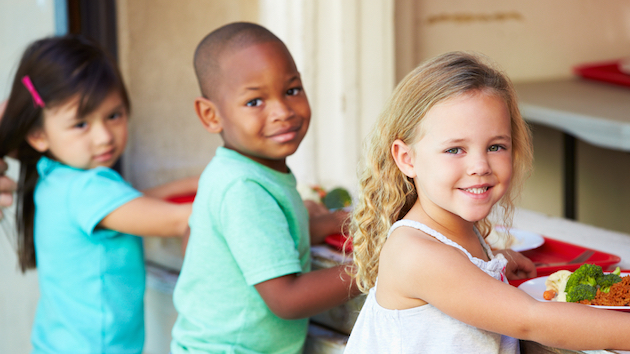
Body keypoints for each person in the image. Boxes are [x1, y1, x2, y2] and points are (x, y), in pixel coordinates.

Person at [343, 51, 630, 353]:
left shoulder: (455, 232)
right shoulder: (416, 254)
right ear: (407, 158)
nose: (480, 165)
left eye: (495, 146)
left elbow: (460, 276)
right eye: (455, 150)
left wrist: (495, 261)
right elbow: (531, 321)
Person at [170, 22, 360, 354]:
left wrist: (337, 222)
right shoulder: (243, 187)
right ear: (211, 115)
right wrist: (380, 264)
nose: (283, 112)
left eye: (292, 90)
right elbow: (288, 298)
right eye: (255, 101)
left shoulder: (235, 170)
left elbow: (273, 233)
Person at [0, 35, 198, 353]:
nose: (104, 136)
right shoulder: (87, 189)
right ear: (38, 135)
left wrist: (191, 183)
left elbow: (131, 202)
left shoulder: (56, 178)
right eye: (81, 124)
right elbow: (182, 221)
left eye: (114, 115)